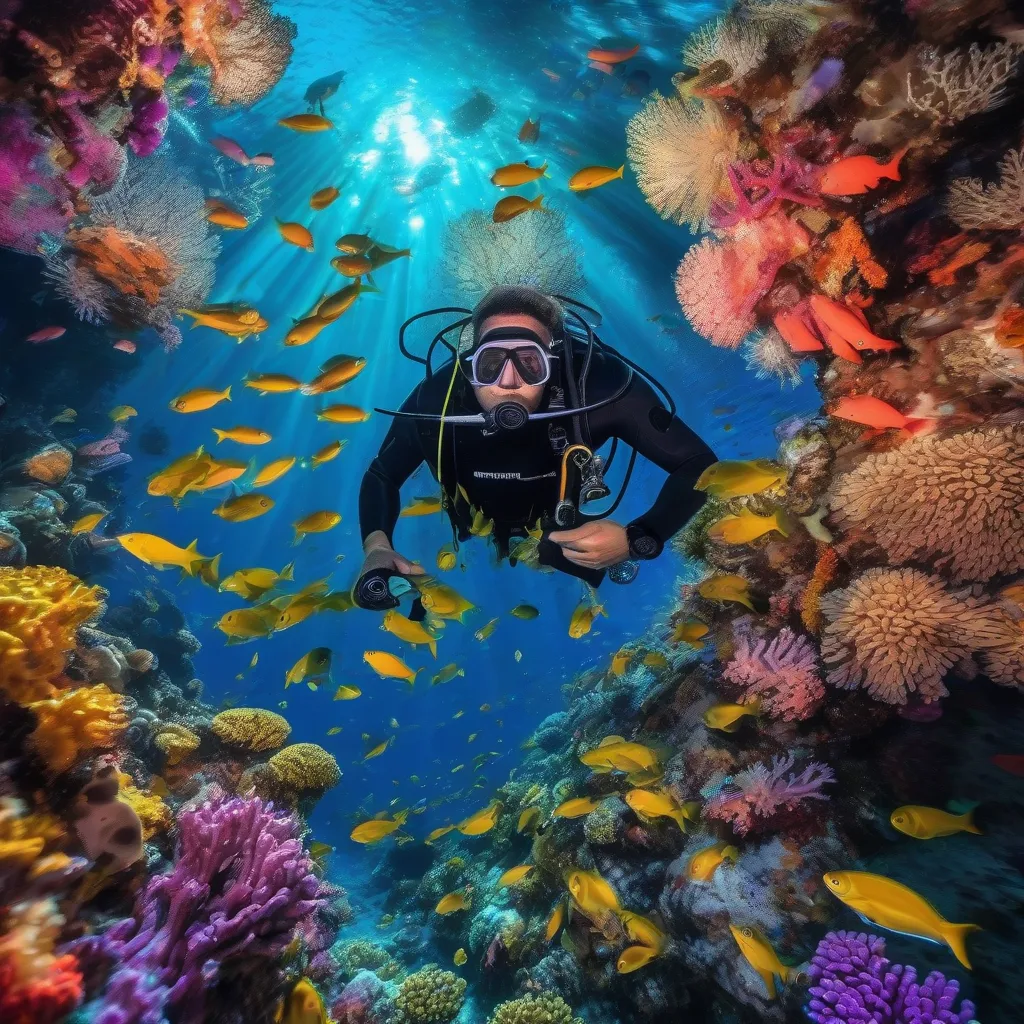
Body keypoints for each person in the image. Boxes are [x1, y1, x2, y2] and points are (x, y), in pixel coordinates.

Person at [356, 285, 717, 599]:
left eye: (530, 362)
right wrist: (376, 546)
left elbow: (698, 464)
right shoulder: (436, 400)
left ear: (553, 363)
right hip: (473, 513)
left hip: (559, 512)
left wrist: (641, 537)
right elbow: (381, 475)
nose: (509, 380)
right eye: (491, 362)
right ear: (469, 366)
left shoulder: (600, 386)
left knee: (559, 550)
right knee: (478, 534)